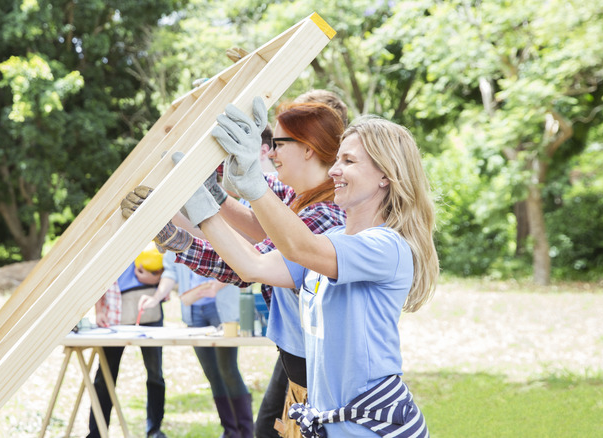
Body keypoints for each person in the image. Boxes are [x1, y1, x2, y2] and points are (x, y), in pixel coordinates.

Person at [194, 98, 439, 436]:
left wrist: (253, 184)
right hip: (331, 422)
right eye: (337, 159)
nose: (335, 170)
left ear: (386, 176)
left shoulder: (386, 247)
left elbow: (300, 246)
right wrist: (204, 209)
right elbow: (252, 266)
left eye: (349, 161)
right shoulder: (334, 236)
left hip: (371, 427)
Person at [121, 101, 347, 437]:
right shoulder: (300, 198)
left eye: (279, 144)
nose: (269, 154)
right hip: (299, 359)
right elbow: (260, 223)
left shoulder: (324, 216)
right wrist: (215, 193)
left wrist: (179, 236)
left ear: (308, 150)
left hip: (319, 369)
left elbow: (250, 264)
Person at [139, 251, 253, 437]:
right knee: (212, 374)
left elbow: (239, 264)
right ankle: (230, 431)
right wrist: (155, 298)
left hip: (221, 308)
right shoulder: (176, 233)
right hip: (194, 312)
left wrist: (216, 286)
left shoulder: (215, 224)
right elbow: (170, 272)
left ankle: (245, 432)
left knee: (228, 370)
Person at [87, 243, 167, 438]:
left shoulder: (150, 234)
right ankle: (96, 432)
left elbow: (167, 270)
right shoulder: (109, 241)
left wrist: (155, 277)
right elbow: (97, 276)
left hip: (148, 307)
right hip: (115, 311)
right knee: (105, 374)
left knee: (155, 372)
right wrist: (98, 310)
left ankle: (154, 431)